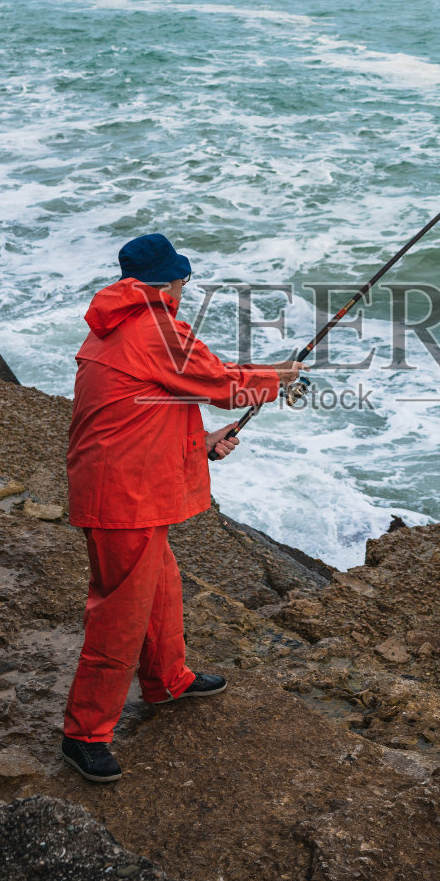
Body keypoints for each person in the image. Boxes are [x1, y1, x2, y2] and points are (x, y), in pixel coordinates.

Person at [60, 232, 304, 782]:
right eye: (182, 276)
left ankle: (168, 679)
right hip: (123, 496)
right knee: (118, 617)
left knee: (162, 589)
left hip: (124, 481)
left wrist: (204, 441)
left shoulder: (117, 323)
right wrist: (277, 379)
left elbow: (149, 404)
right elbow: (219, 384)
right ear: (171, 280)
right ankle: (85, 732)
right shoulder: (155, 327)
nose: (184, 285)